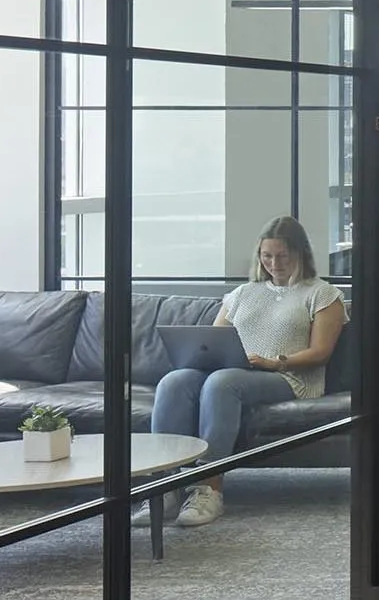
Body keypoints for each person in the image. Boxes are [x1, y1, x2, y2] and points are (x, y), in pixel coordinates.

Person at [143, 216, 347, 527]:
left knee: (222, 384)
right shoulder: (242, 294)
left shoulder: (322, 294)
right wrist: (199, 356)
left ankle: (208, 488)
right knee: (175, 381)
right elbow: (213, 341)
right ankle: (163, 487)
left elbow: (320, 353)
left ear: (301, 254)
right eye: (267, 256)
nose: (274, 263)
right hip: (236, 370)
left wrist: (275, 362)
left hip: (288, 376)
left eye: (283, 255)